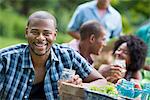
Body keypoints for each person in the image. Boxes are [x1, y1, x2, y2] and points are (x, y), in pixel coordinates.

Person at [0, 11, 107, 99]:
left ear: (54, 35)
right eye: (35, 32)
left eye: (46, 33)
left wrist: (80, 87)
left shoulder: (68, 56)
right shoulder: (6, 59)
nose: (41, 38)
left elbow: (101, 81)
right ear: (26, 32)